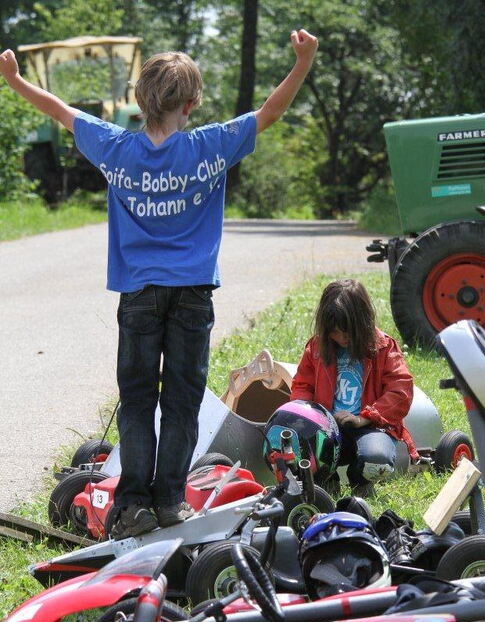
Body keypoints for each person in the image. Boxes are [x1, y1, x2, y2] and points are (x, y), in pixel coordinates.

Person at [0, 30, 318, 538]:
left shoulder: (116, 148)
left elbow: (61, 111)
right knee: (182, 402)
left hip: (139, 296)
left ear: (140, 101)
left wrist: (14, 80)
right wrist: (302, 61)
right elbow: (270, 112)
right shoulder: (210, 146)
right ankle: (169, 501)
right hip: (193, 294)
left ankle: (131, 506)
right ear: (192, 103)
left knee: (138, 400)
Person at [290, 278, 418, 493]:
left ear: (362, 322)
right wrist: (308, 419)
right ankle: (327, 479)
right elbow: (302, 387)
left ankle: (360, 480)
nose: (341, 338)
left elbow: (400, 390)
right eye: (334, 331)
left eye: (346, 331)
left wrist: (363, 418)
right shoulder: (317, 348)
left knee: (376, 460)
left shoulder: (384, 347)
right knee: (299, 448)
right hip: (327, 429)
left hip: (371, 427)